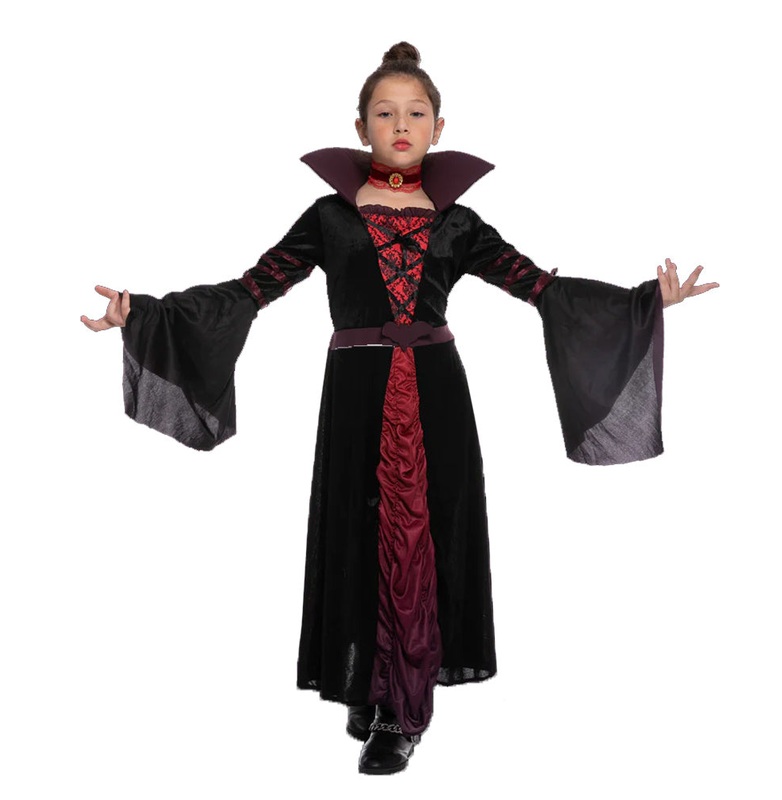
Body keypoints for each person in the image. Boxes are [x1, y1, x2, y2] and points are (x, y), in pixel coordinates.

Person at [81, 42, 719, 776]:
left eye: (416, 113)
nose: (401, 124)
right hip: (356, 392)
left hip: (435, 392)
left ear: (439, 127)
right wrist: (143, 314)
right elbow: (250, 290)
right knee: (359, 531)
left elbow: (542, 288)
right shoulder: (330, 217)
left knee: (421, 534)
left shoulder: (458, 223)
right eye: (385, 113)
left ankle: (403, 711)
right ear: (361, 127)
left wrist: (645, 300)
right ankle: (369, 683)